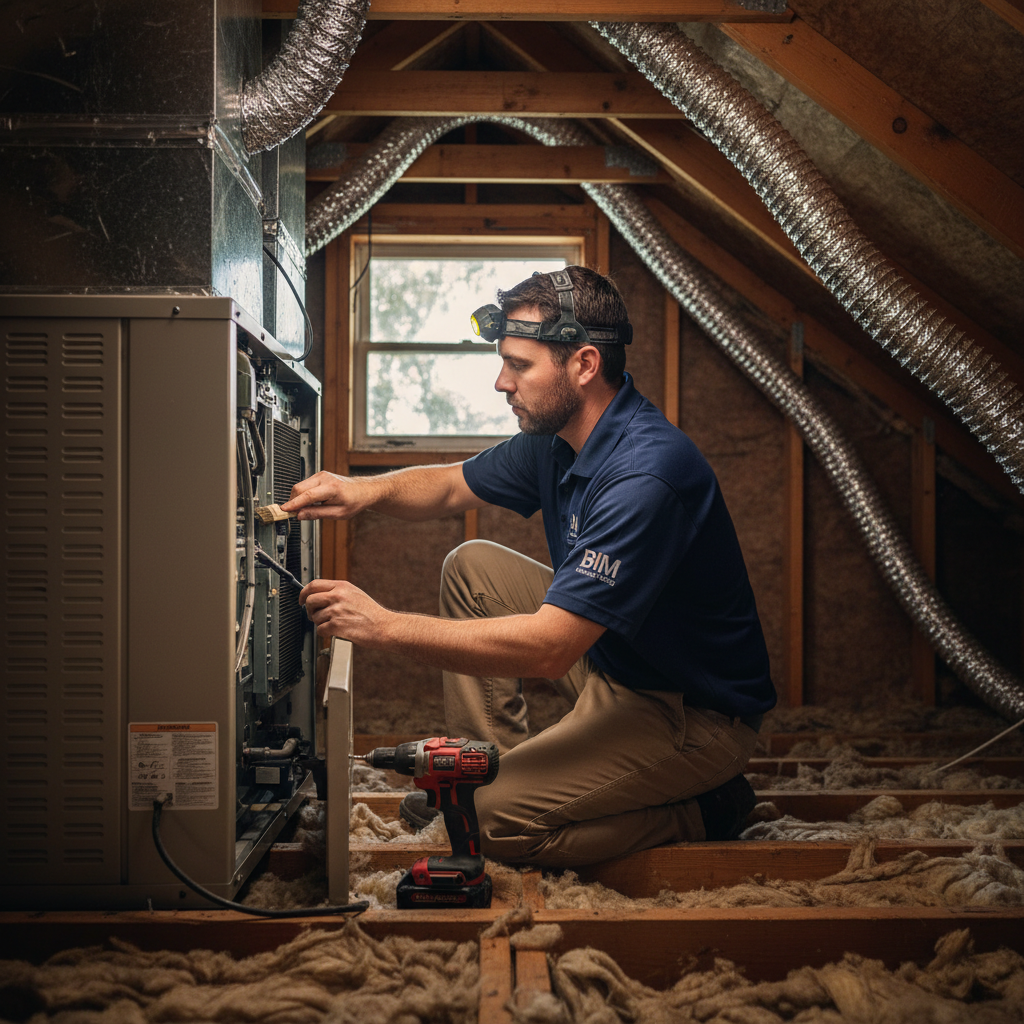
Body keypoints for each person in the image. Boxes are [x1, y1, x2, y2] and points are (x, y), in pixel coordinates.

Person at [282, 266, 776, 867]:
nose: (501, 382)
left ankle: (704, 809)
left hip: (689, 712)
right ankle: (494, 771)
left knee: (486, 827)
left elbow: (549, 649)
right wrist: (360, 491)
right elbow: (450, 485)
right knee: (473, 568)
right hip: (618, 658)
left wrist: (382, 626)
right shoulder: (558, 438)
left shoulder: (645, 475)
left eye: (519, 365)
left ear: (584, 364)